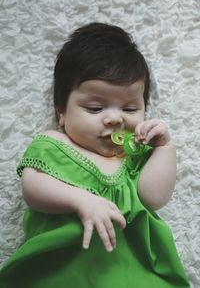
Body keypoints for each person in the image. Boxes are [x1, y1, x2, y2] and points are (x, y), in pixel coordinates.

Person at [0, 22, 190, 288]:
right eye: (95, 107)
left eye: (130, 108)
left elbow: (154, 198)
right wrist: (81, 201)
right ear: (61, 113)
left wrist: (164, 148)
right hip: (60, 271)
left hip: (132, 273)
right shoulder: (55, 144)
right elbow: (33, 188)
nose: (114, 118)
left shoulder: (133, 154)